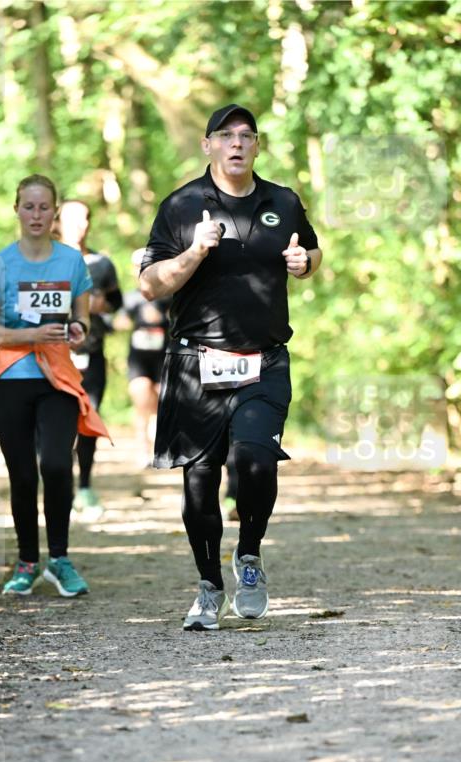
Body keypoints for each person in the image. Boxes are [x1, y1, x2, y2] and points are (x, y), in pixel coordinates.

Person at [140, 104, 322, 630]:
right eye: (226, 136)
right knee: (199, 483)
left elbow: (312, 250)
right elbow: (150, 284)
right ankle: (207, 586)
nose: (237, 144)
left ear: (257, 146)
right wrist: (195, 252)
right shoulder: (181, 206)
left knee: (256, 462)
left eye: (246, 136)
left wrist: (305, 264)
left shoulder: (282, 201)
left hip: (263, 361)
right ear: (208, 145)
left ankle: (248, 556)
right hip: (196, 363)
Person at [0, 174, 109, 597]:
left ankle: (59, 560)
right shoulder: (0, 264)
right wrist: (29, 336)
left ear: (55, 213)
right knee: (23, 474)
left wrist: (78, 328)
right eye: (29, 206)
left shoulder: (71, 262)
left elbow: (80, 317)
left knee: (59, 465)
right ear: (16, 210)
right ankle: (28, 560)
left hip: (58, 379)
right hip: (10, 381)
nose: (36, 215)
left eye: (45, 207)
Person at [56, 199, 122, 520]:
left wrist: (101, 306)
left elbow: (117, 303)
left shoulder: (101, 264)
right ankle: (60, 489)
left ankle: (84, 486)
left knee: (88, 419)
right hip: (54, 357)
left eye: (85, 218)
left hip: (91, 354)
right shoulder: (44, 259)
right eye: (73, 219)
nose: (81, 225)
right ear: (58, 222)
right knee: (57, 422)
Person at [122, 247, 171, 468]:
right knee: (142, 400)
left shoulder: (168, 296)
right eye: (137, 266)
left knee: (162, 403)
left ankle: (159, 449)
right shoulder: (131, 298)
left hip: (163, 357)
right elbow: (116, 320)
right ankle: (141, 448)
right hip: (139, 359)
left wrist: (163, 318)